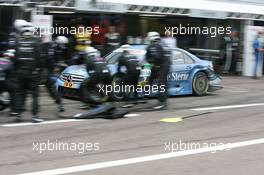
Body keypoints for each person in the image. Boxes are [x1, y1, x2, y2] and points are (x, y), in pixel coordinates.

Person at [13, 20, 43, 123]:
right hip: (32, 73)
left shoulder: (18, 42)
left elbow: (15, 59)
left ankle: (19, 115)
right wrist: (39, 70)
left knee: (21, 93)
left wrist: (16, 71)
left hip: (20, 73)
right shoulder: (36, 42)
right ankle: (35, 116)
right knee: (34, 95)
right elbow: (40, 59)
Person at [40, 36, 68, 112]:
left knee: (50, 87)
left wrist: (59, 64)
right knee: (50, 87)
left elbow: (57, 58)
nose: (62, 46)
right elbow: (50, 59)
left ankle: (59, 103)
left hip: (43, 70)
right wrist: (55, 66)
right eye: (62, 44)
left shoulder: (55, 47)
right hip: (43, 69)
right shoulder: (51, 46)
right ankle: (59, 103)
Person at [146, 32, 171, 110]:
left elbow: (156, 57)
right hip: (165, 64)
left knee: (161, 83)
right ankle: (162, 100)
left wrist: (151, 62)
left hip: (162, 65)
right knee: (161, 81)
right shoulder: (163, 43)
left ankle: (162, 102)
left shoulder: (156, 44)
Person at [0, 50, 19, 115]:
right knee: (14, 89)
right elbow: (12, 76)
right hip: (2, 81)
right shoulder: (10, 63)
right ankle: (14, 110)